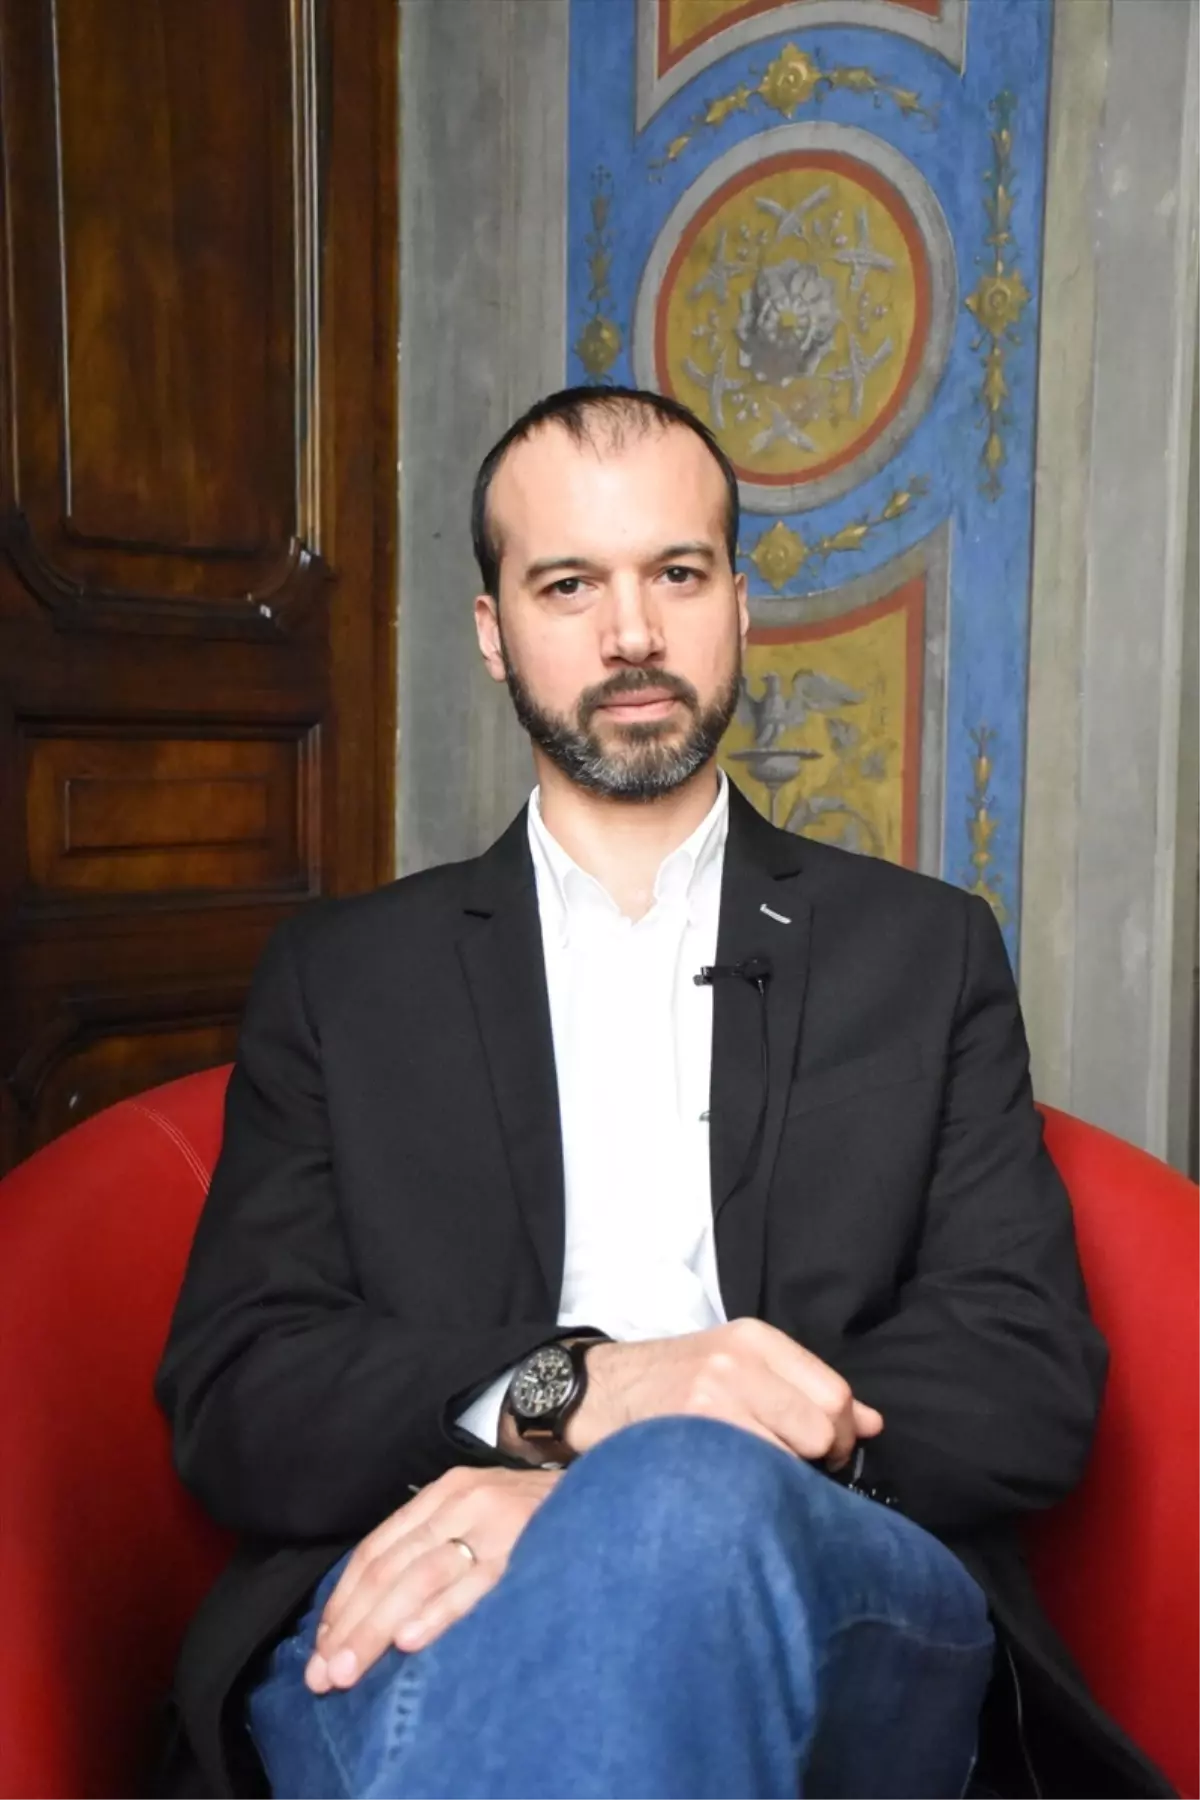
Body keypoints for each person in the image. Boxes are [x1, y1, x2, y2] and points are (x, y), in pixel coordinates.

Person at [156, 387, 1174, 1800]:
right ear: (493, 630)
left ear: (740, 607)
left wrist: (643, 1472)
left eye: (677, 574)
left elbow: (1022, 1376)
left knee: (679, 1508)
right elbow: (242, 1392)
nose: (631, 632)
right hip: (426, 1582)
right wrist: (579, 1395)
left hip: (840, 1587)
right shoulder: (344, 978)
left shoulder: (923, 951)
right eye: (569, 584)